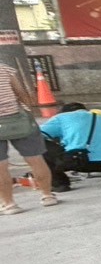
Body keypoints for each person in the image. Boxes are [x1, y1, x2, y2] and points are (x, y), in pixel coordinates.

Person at [0, 60, 58, 213]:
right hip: (18, 120)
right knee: (35, 159)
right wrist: (29, 112)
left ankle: (10, 204)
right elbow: (21, 93)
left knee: (1, 166)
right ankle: (47, 196)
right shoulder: (4, 68)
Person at [40, 102, 101, 188]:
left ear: (64, 112)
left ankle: (60, 183)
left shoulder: (61, 118)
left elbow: (36, 135)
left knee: (38, 144)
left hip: (82, 162)